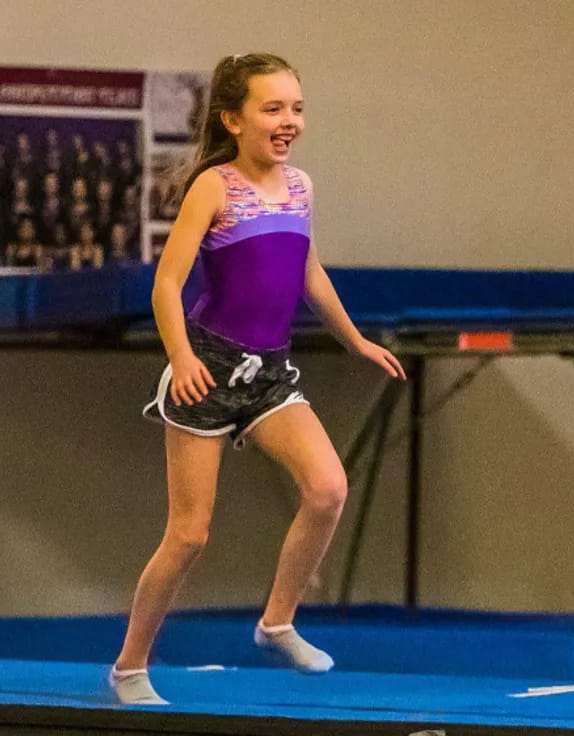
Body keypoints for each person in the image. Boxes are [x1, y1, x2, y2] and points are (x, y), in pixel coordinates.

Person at [110, 53, 406, 705]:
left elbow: (308, 274)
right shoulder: (214, 186)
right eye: (273, 109)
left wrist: (354, 339)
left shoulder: (300, 186)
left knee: (328, 488)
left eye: (297, 108)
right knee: (188, 534)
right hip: (208, 369)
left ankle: (277, 623)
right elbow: (166, 283)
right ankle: (130, 666)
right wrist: (182, 358)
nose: (289, 121)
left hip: (270, 372)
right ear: (233, 120)